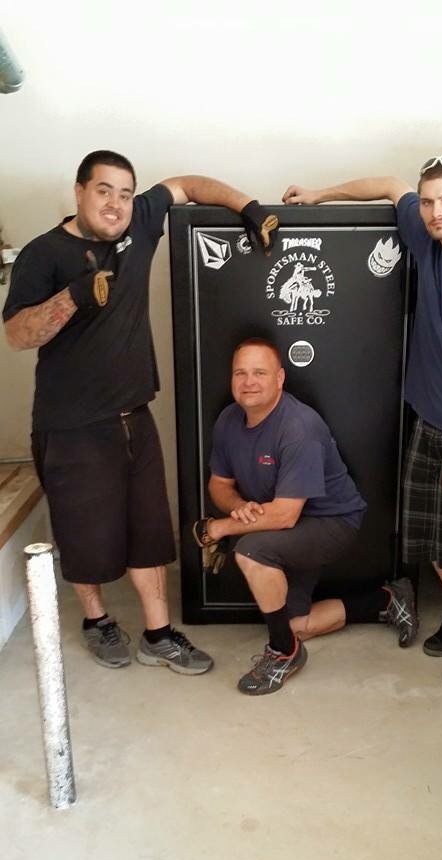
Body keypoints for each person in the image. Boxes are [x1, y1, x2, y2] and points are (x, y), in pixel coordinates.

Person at [3, 149, 278, 673]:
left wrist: (247, 206)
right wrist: (75, 296)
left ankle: (158, 633)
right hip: (71, 425)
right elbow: (17, 334)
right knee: (86, 535)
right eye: (103, 190)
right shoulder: (44, 254)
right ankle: (97, 621)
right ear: (79, 191)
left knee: (149, 530)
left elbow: (188, 184)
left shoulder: (141, 221)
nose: (115, 203)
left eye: (125, 193)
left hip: (134, 415)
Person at [283, 153, 442, 685]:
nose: (437, 211)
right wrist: (320, 195)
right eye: (431, 201)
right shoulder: (427, 239)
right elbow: (390, 184)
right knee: (431, 541)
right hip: (427, 425)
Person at [193, 338, 419, 696]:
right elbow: (219, 485)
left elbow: (285, 515)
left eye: (259, 373)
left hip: (330, 522)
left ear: (280, 378)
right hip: (286, 522)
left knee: (250, 551)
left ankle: (284, 653)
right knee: (295, 623)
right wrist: (237, 505)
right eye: (241, 373)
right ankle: (387, 599)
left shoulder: (299, 426)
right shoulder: (228, 420)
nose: (248, 381)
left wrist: (221, 526)